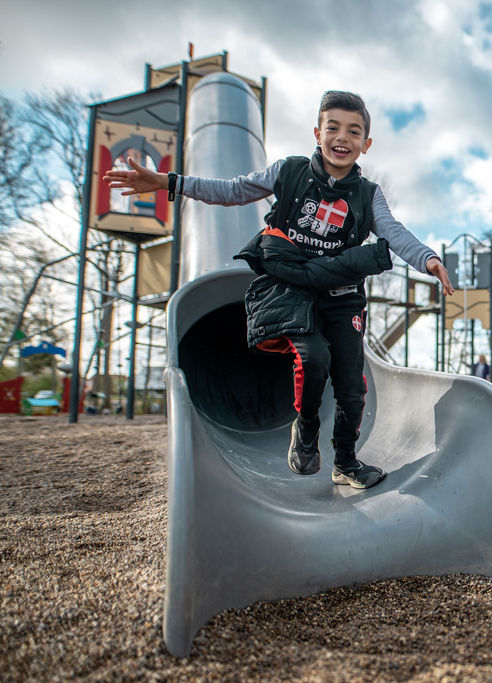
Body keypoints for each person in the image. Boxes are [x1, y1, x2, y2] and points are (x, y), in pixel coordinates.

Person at [104, 90, 454, 490]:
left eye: (354, 131)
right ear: (317, 134)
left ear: (365, 144)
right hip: (292, 287)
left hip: (341, 293)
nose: (342, 137)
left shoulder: (367, 194)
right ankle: (305, 428)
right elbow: (233, 190)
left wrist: (428, 260)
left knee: (353, 387)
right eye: (333, 127)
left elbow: (394, 233)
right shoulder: (289, 173)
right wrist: (168, 182)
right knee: (313, 355)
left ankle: (345, 461)